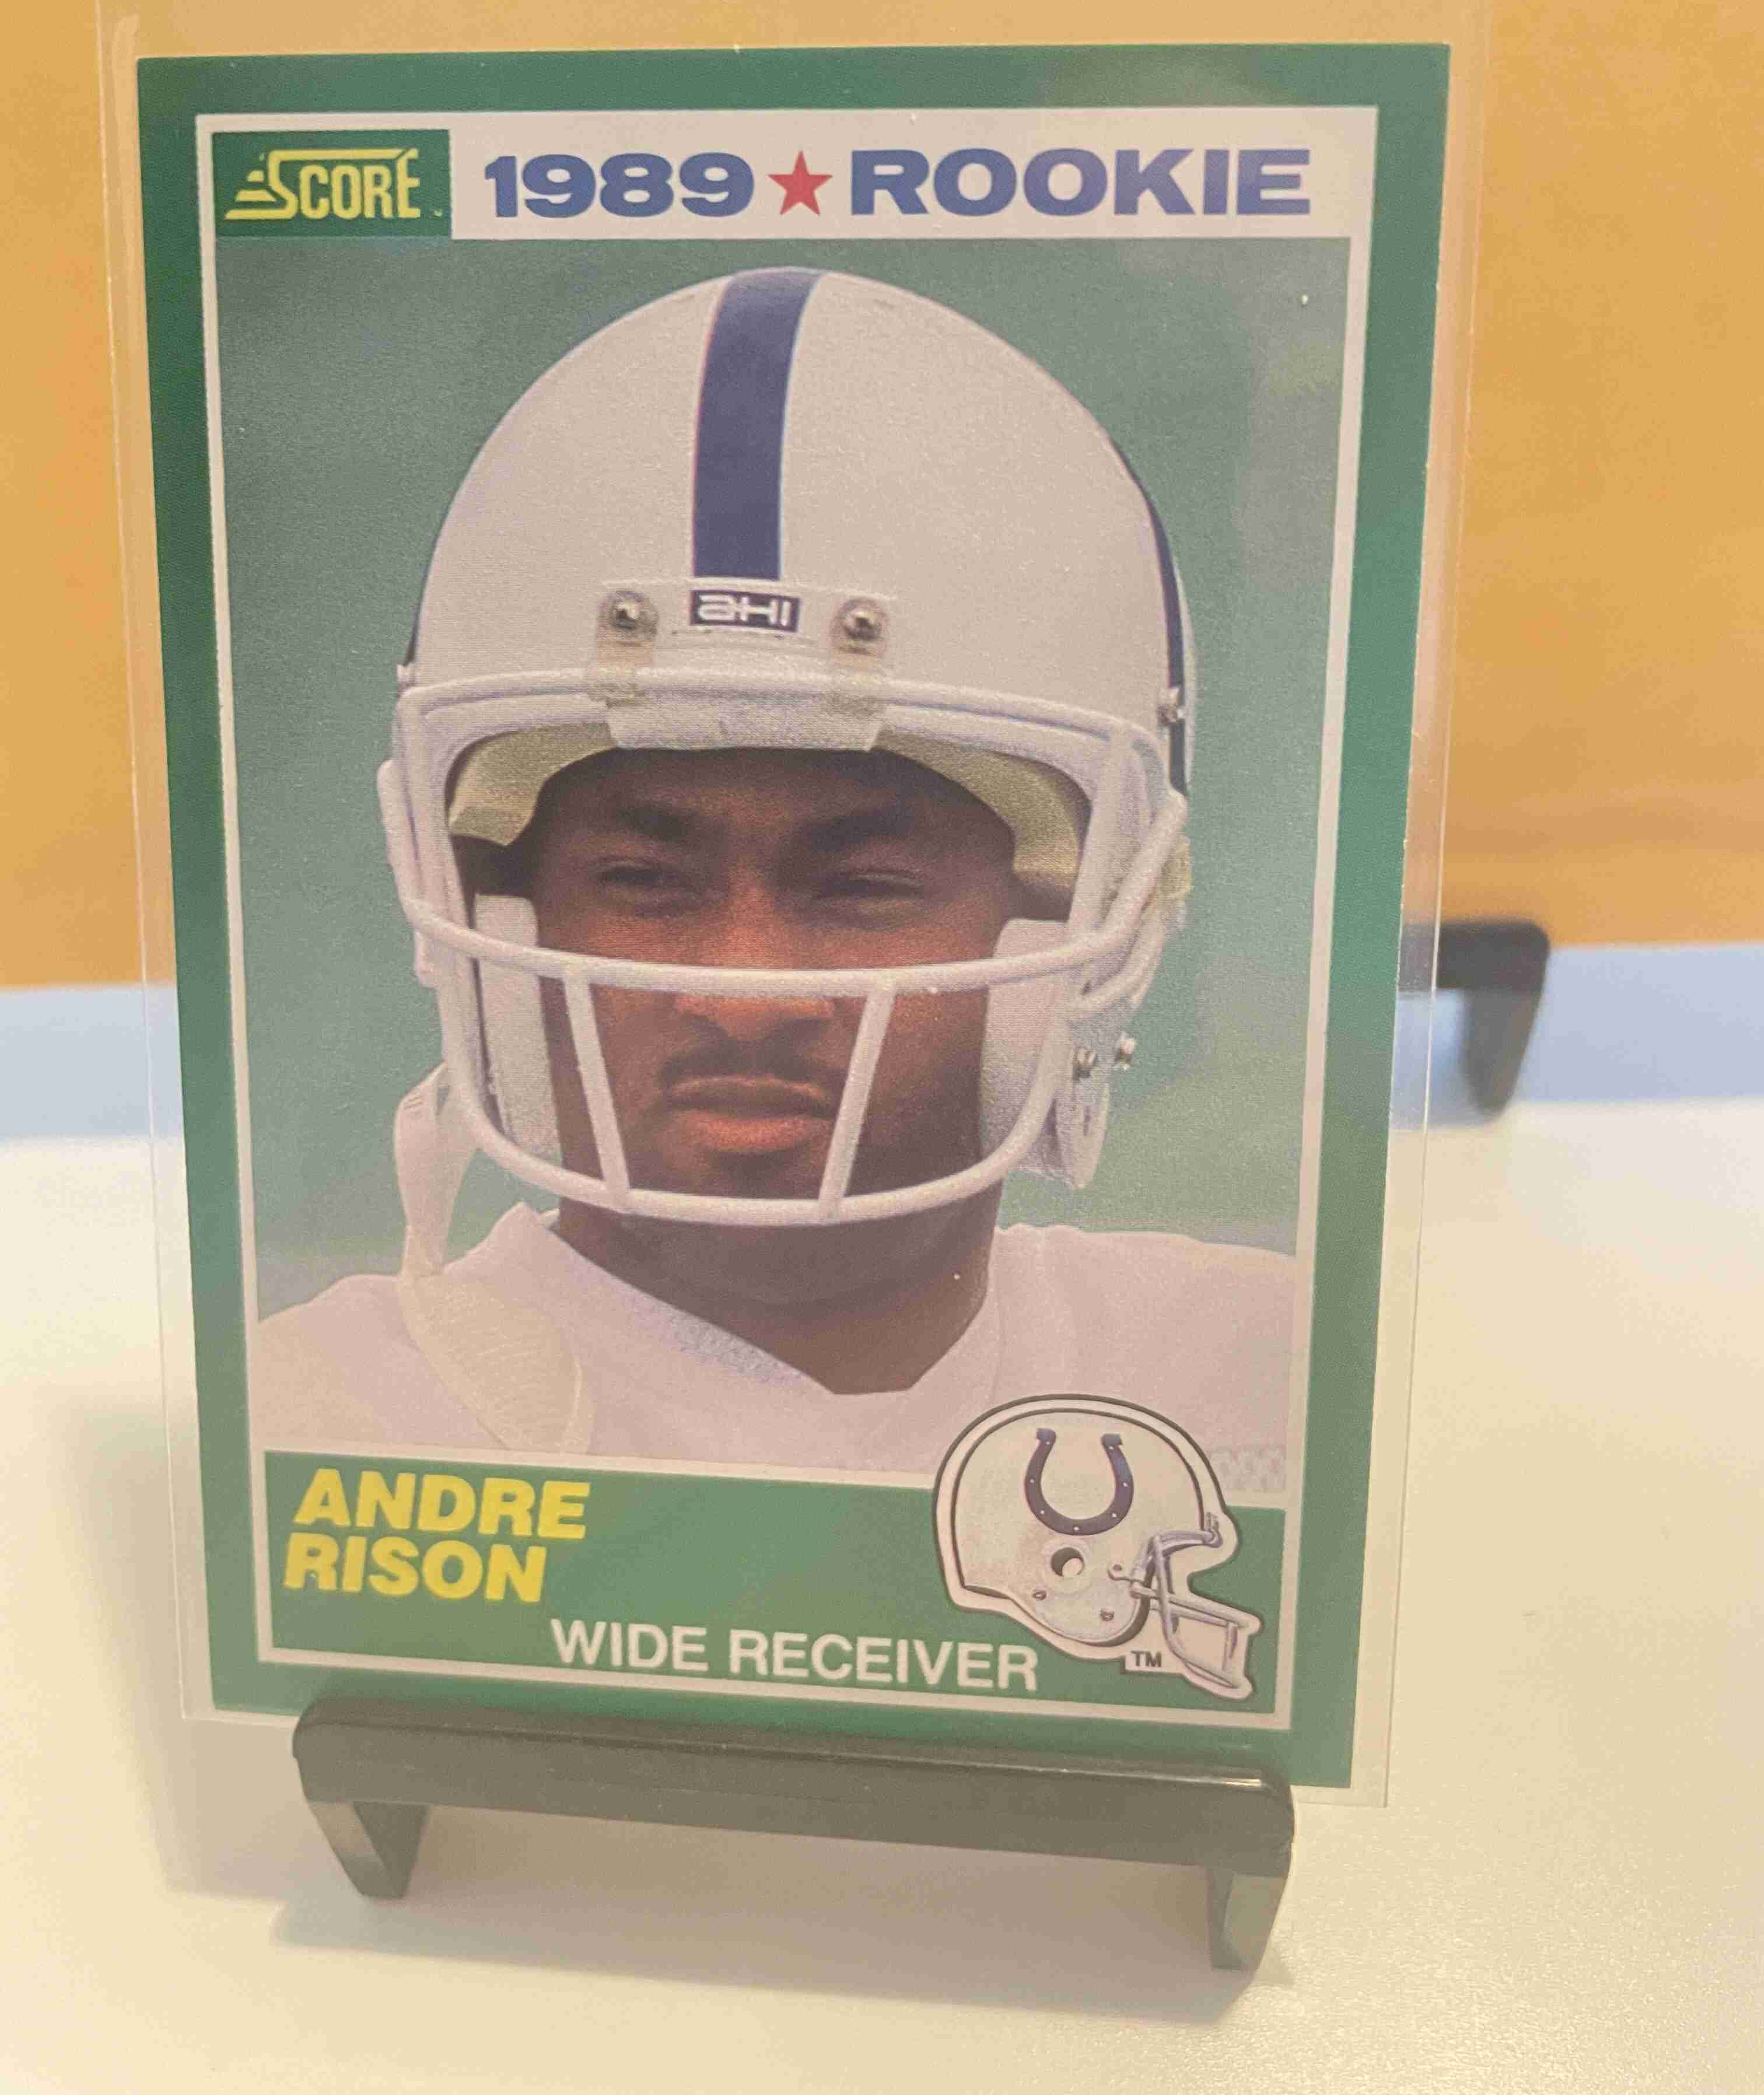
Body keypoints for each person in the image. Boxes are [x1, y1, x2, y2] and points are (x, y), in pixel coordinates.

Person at [254, 267, 1293, 1486]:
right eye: (645, 880)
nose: (745, 994)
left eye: (864, 889)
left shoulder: (1264, 1381)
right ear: (498, 914)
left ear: (1080, 918)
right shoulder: (314, 1434)